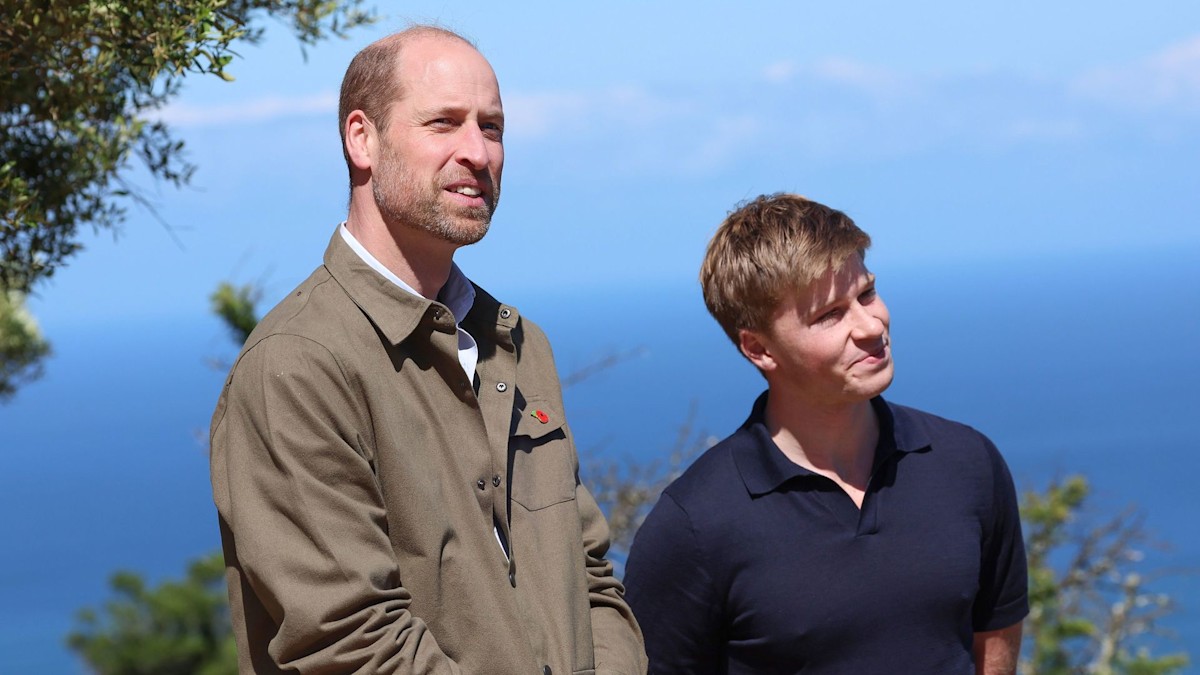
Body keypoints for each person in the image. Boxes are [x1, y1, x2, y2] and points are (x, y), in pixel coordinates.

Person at [209, 26, 646, 674]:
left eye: (492, 128)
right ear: (362, 138)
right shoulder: (296, 365)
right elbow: (351, 642)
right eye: (444, 123)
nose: (478, 151)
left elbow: (590, 581)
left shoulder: (518, 343)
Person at [623, 193, 1027, 674]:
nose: (870, 325)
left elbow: (995, 633)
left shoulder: (966, 463)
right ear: (759, 348)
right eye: (830, 315)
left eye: (867, 293)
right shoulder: (694, 527)